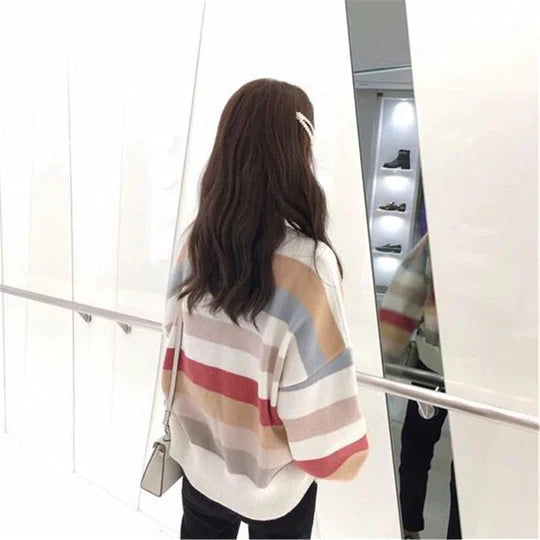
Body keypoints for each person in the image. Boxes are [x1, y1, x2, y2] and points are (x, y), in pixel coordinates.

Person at [161, 79, 369, 539]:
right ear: (297, 152)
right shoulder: (309, 264)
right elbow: (317, 396)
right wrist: (343, 458)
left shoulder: (196, 244)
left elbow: (173, 344)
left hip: (201, 460)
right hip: (272, 484)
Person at [379, 233, 461, 539]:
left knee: (417, 448)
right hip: (482, 370)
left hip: (434, 364)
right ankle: (441, 530)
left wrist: (390, 352)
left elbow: (408, 285)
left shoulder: (445, 231)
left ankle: (409, 528)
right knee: (466, 463)